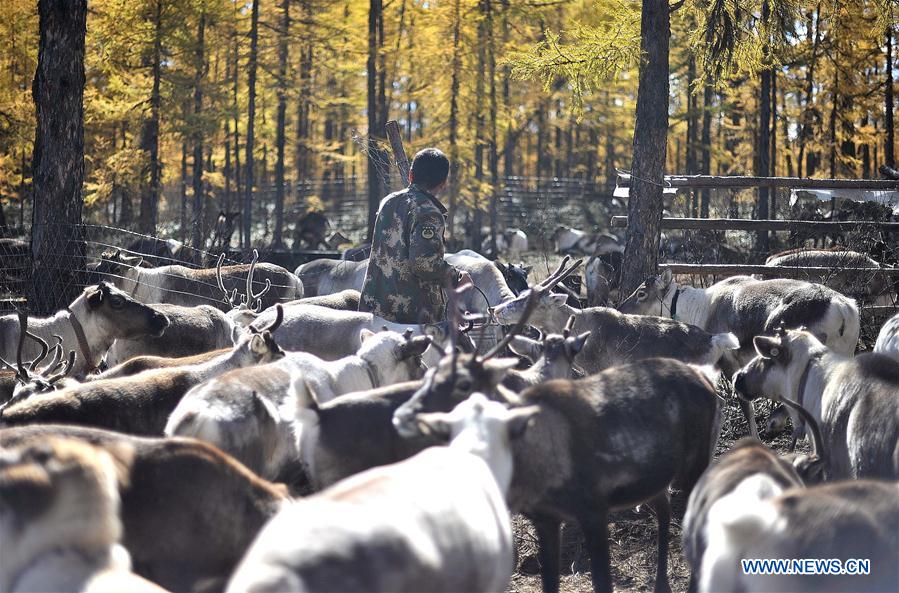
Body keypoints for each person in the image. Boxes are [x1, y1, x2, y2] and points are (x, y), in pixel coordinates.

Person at [359, 148, 470, 324]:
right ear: (444, 183)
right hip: (410, 318)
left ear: (410, 175)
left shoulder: (388, 202)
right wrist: (456, 276)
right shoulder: (429, 213)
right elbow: (423, 264)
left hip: (374, 310)